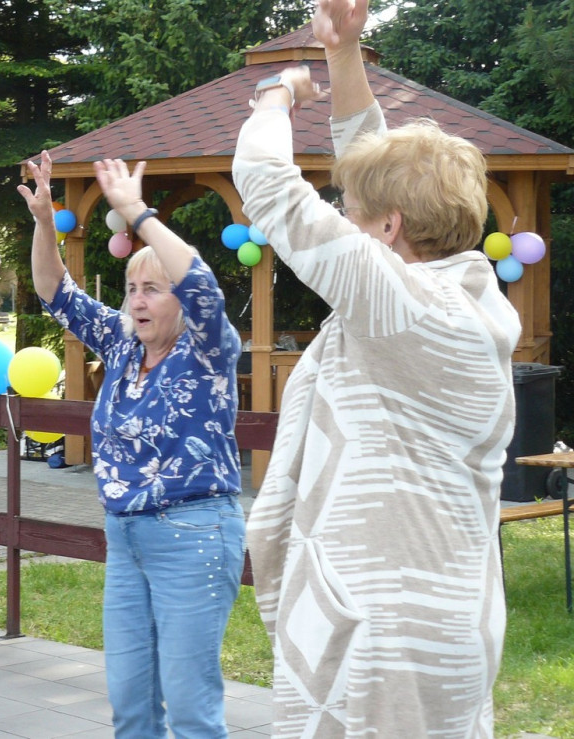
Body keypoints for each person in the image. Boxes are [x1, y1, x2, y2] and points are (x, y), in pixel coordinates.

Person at [231, 0, 521, 736]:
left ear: (388, 228)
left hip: (382, 632)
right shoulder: (458, 303)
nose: (345, 218)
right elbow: (369, 155)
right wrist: (344, 53)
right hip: (440, 617)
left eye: (353, 212)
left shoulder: (407, 308)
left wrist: (277, 92)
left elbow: (263, 180)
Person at [19, 151, 245, 738]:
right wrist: (46, 222)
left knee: (192, 709)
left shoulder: (208, 351)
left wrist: (137, 212)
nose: (138, 301)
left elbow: (201, 284)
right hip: (126, 539)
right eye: (131, 289)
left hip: (193, 534)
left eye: (153, 289)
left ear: (180, 302)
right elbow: (54, 290)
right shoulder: (122, 347)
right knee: (131, 706)